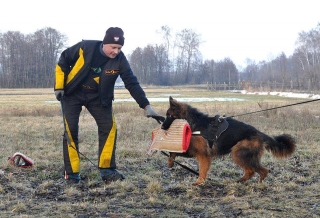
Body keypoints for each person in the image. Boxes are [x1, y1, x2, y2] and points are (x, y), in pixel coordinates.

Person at [54, 27, 164, 184]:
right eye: (113, 47)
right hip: (72, 93)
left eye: (119, 48)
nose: (116, 51)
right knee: (70, 131)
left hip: (99, 98)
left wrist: (146, 106)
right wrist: (59, 86)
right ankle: (72, 175)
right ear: (105, 43)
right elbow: (63, 60)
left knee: (109, 128)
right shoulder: (86, 47)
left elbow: (131, 82)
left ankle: (107, 170)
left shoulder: (120, 60)